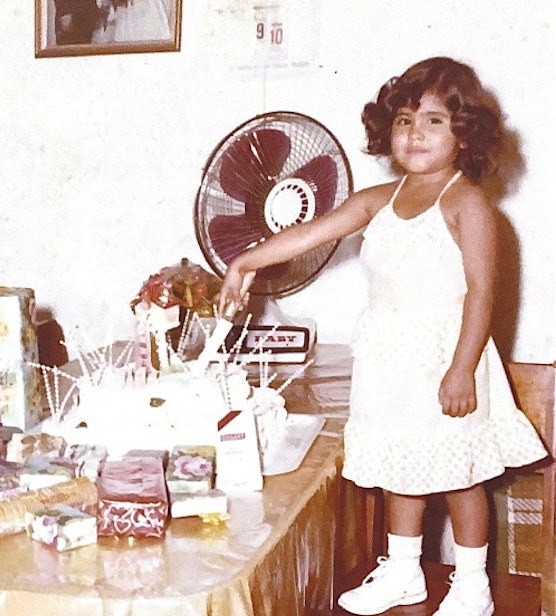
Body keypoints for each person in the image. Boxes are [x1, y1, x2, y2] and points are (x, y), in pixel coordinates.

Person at [219, 57, 547, 616]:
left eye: (434, 120)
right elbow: (310, 232)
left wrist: (462, 368)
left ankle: (472, 584)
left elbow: (481, 294)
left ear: (465, 134)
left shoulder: (467, 204)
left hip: (448, 359)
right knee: (402, 469)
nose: (415, 131)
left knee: (459, 474)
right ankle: (403, 571)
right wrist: (245, 262)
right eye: (403, 119)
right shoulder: (379, 201)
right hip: (391, 362)